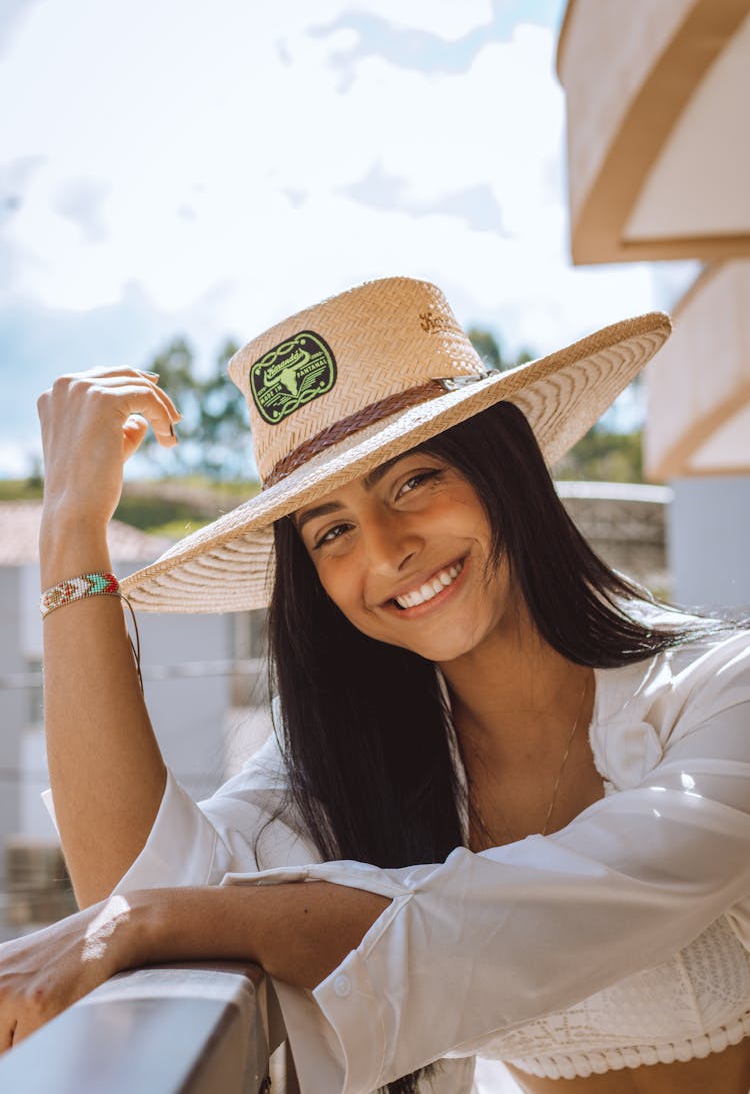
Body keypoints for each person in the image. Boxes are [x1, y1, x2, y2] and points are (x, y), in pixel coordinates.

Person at [2, 276, 750, 1094]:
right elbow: (151, 883)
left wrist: (141, 922)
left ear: (506, 471)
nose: (388, 550)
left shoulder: (723, 691)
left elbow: (528, 922)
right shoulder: (359, 759)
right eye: (332, 530)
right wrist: (71, 526)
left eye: (415, 479)